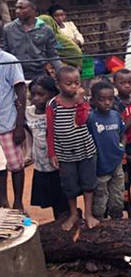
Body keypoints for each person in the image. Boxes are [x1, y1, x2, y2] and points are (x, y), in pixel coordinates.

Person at [46, 66, 96, 229]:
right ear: (59, 85)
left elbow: (81, 121)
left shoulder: (82, 102)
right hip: (64, 153)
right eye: (69, 84)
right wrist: (52, 153)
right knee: (70, 186)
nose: (74, 87)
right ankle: (74, 213)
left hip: (85, 150)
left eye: (77, 83)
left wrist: (80, 102)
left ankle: (88, 213)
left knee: (88, 184)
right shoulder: (53, 104)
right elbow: (50, 130)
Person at [26, 76, 66, 220]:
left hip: (59, 163)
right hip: (41, 165)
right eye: (33, 94)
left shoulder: (59, 111)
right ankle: (59, 224)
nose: (36, 99)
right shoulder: (28, 113)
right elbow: (30, 133)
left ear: (52, 94)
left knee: (64, 199)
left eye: (41, 95)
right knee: (52, 199)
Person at [87, 80, 125, 220]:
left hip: (116, 162)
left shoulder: (115, 115)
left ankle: (117, 217)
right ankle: (99, 220)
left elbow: (122, 134)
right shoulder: (91, 118)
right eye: (102, 99)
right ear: (94, 101)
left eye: (110, 99)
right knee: (100, 195)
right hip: (99, 165)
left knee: (117, 193)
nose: (107, 103)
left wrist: (122, 148)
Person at [2, 0, 60, 80]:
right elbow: (4, 54)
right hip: (15, 75)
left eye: (22, 8)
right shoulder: (8, 29)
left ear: (33, 10)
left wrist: (62, 72)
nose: (17, 11)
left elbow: (53, 56)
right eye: (16, 8)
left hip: (39, 75)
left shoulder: (46, 30)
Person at [113, 69, 131, 217]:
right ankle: (129, 211)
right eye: (122, 82)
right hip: (122, 148)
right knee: (125, 183)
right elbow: (119, 129)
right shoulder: (112, 104)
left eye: (130, 82)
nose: (126, 85)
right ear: (115, 84)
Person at [0, 49, 27, 209]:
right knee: (0, 168)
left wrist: (19, 124)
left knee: (16, 166)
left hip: (7, 124)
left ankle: (18, 203)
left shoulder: (9, 60)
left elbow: (21, 91)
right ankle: (3, 202)